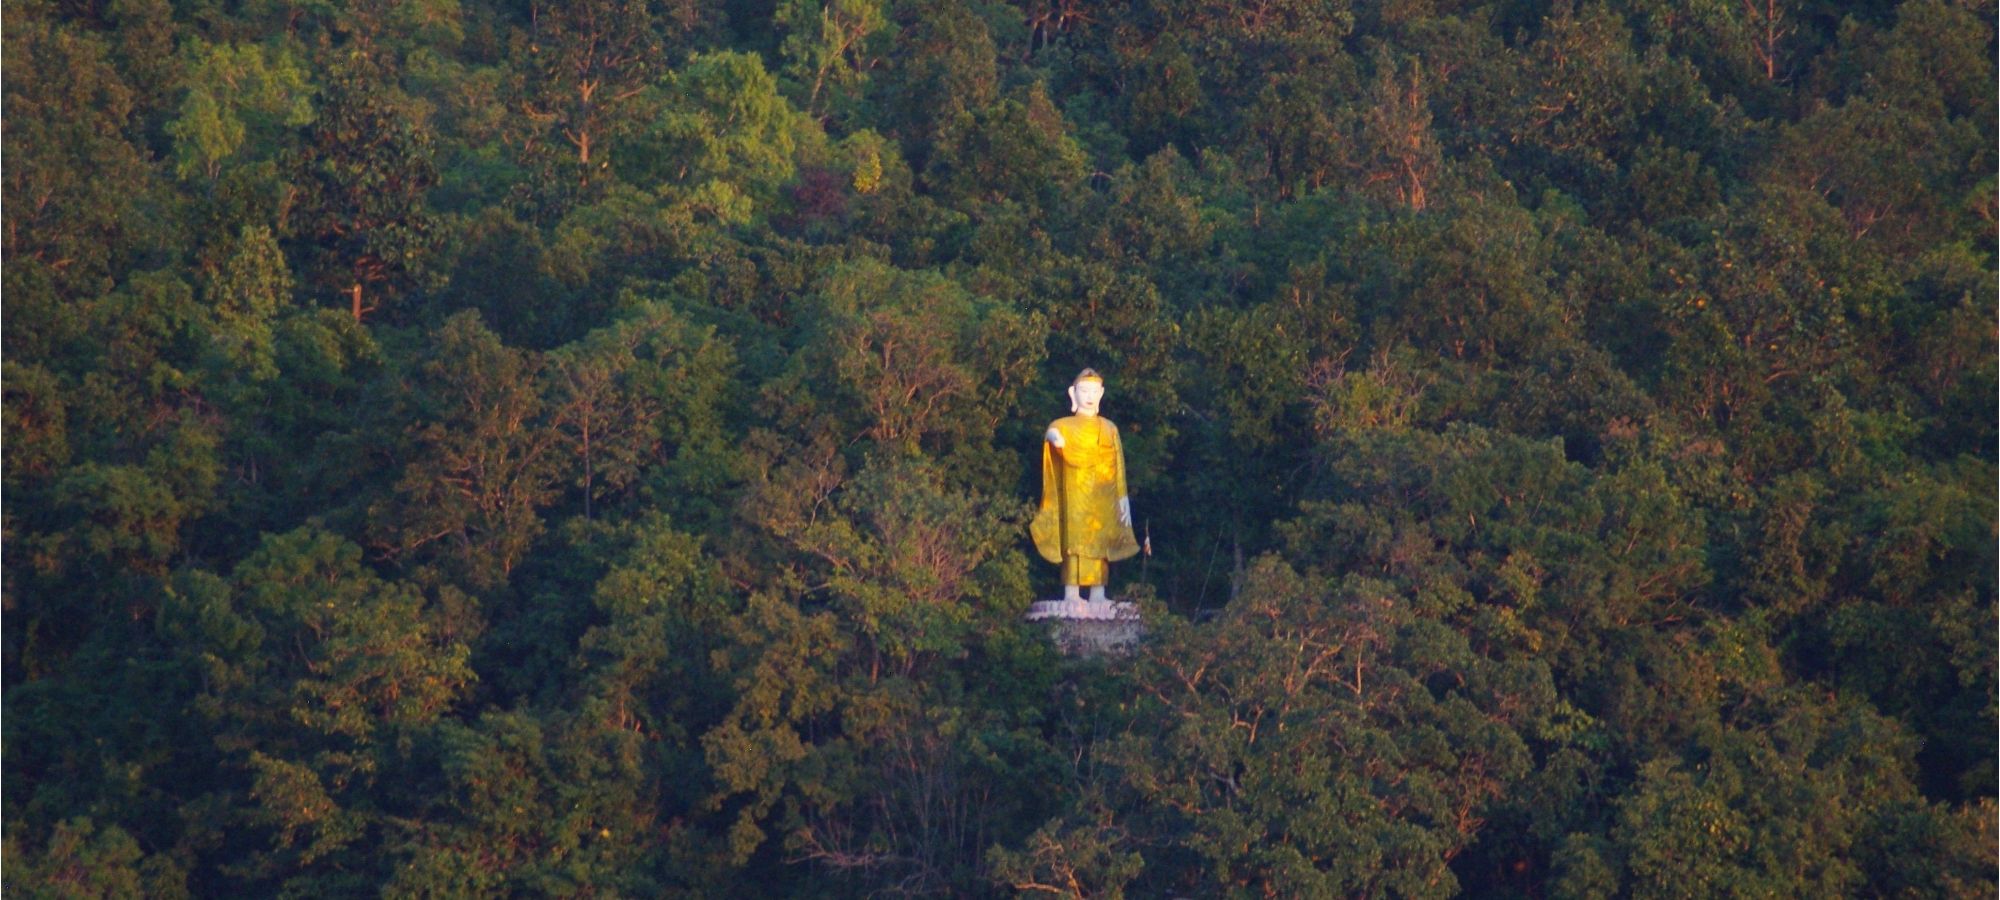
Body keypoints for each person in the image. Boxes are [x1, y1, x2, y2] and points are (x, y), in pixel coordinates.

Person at [1030, 369, 1140, 616]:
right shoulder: (1062, 426)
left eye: (1094, 391)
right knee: (1074, 541)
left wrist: (1122, 498)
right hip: (1074, 495)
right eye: (1084, 391)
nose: (1089, 396)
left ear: (1101, 394)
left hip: (1102, 495)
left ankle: (1098, 592)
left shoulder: (1109, 428)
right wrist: (1054, 438)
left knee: (1100, 542)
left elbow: (1119, 467)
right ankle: (1071, 591)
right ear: (1073, 393)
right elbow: (1051, 434)